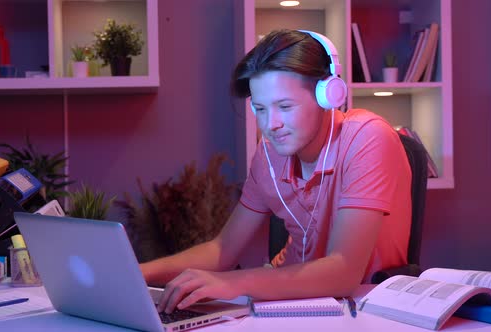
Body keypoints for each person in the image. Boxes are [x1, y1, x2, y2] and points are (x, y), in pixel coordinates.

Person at [141, 29, 411, 314]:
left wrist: (231, 283)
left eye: (284, 106)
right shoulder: (269, 155)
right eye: (260, 108)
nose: (271, 124)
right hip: (286, 305)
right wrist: (141, 272)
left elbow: (342, 272)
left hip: (361, 309)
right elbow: (222, 251)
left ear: (327, 95)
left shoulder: (368, 138)